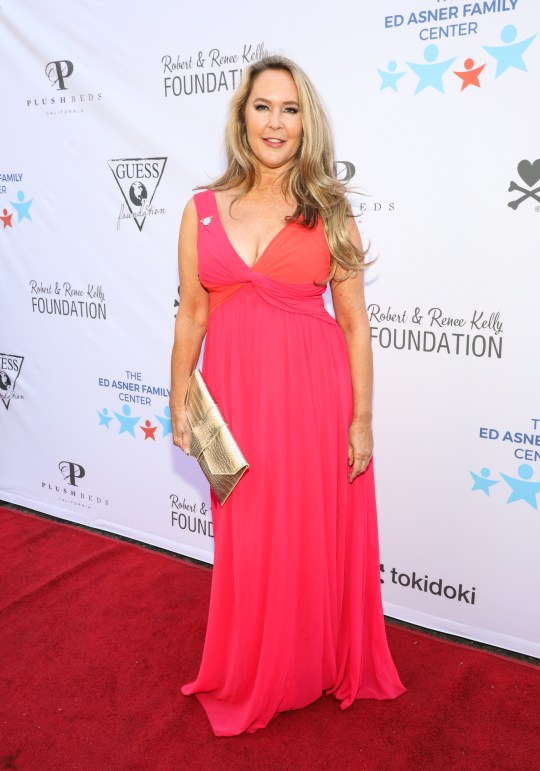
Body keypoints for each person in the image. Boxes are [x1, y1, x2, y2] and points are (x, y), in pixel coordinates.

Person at [169, 54, 406, 736]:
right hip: (237, 399)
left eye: (290, 109)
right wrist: (180, 393)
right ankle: (255, 665)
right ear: (242, 117)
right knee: (250, 536)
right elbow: (191, 311)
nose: (276, 122)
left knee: (311, 529)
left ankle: (313, 660)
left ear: (306, 124)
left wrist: (361, 418)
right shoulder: (200, 211)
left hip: (314, 398)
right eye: (263, 106)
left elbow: (355, 320)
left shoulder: (327, 206)